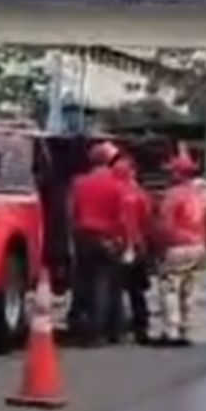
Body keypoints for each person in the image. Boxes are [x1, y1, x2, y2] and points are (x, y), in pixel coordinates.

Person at [153, 144, 206, 344]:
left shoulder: (172, 196)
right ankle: (186, 330)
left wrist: (158, 247)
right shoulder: (201, 196)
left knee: (170, 287)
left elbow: (164, 225)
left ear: (178, 174)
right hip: (198, 245)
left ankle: (171, 330)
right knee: (189, 288)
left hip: (176, 246)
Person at [67, 141, 128, 346]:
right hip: (108, 238)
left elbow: (71, 213)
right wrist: (122, 241)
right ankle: (104, 330)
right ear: (110, 161)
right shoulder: (118, 185)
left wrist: (72, 236)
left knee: (84, 283)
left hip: (83, 237)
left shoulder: (78, 183)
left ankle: (81, 326)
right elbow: (122, 217)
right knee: (106, 284)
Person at [112, 154, 152, 344]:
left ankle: (116, 326)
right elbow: (147, 220)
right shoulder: (140, 194)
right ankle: (140, 325)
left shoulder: (114, 193)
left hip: (118, 245)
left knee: (115, 288)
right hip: (137, 245)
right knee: (137, 290)